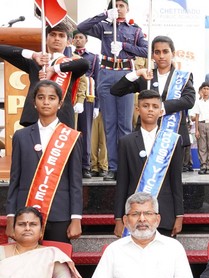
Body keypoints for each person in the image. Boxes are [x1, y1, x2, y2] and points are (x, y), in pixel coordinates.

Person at [77, 0, 149, 181]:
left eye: (122, 5)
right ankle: (113, 167)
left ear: (127, 8)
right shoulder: (104, 26)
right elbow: (81, 27)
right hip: (107, 73)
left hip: (125, 74)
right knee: (109, 124)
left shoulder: (135, 30)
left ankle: (124, 167)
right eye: (115, 6)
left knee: (124, 125)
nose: (118, 8)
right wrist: (104, 15)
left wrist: (125, 47)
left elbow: (146, 50)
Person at [5, 80, 83, 244]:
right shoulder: (21, 136)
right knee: (27, 259)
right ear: (34, 102)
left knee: (58, 258)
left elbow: (75, 181)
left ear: (60, 103)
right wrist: (11, 216)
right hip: (26, 213)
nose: (46, 102)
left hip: (59, 213)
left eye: (51, 98)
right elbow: (15, 180)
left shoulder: (71, 136)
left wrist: (76, 217)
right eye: (41, 97)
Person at [110, 35, 195, 176]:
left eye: (165, 51)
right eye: (157, 52)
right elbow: (116, 90)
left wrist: (160, 108)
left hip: (173, 134)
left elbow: (189, 100)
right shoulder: (146, 77)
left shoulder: (183, 76)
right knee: (142, 176)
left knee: (171, 179)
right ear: (152, 55)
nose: (161, 56)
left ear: (173, 53)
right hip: (145, 134)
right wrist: (137, 73)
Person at [114, 90, 184, 238]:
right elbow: (122, 183)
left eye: (155, 106)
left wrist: (179, 215)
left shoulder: (172, 140)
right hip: (134, 216)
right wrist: (119, 218)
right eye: (145, 106)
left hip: (164, 214)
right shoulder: (126, 142)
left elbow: (176, 181)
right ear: (137, 109)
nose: (150, 109)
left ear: (161, 111)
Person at [0, 22, 90, 127]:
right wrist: (33, 54)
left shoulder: (70, 64)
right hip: (34, 119)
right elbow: (2, 50)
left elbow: (85, 64)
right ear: (45, 39)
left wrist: (54, 69)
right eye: (53, 34)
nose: (57, 38)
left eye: (61, 36)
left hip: (62, 121)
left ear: (68, 42)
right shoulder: (35, 62)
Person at [72, 30, 101, 178]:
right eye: (75, 37)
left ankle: (85, 166)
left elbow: (98, 80)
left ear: (86, 40)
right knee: (71, 130)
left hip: (88, 98)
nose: (78, 40)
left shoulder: (93, 57)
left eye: (80, 37)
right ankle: (72, 165)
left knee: (86, 131)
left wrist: (97, 105)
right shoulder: (68, 56)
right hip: (72, 95)